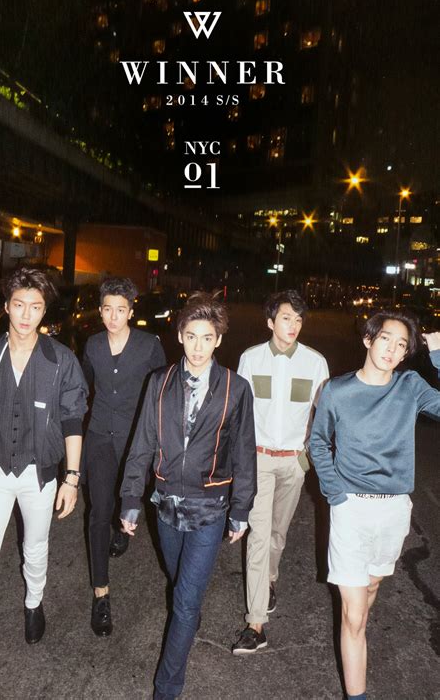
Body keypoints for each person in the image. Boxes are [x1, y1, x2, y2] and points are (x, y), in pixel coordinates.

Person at [120, 292, 256, 700]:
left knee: (184, 602)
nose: (198, 347)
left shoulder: (236, 388)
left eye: (207, 338)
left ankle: (167, 688)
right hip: (165, 504)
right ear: (180, 335)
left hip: (210, 507)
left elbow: (244, 453)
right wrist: (130, 499)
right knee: (178, 579)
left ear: (219, 340)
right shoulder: (159, 382)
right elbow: (142, 443)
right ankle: (188, 613)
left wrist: (241, 508)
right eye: (191, 336)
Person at [0, 268, 88, 700]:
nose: (25, 314)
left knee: (34, 548)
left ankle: (34, 600)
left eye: (35, 307)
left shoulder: (61, 360)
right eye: (19, 305)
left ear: (44, 312)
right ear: (6, 307)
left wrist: (72, 477)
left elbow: (73, 419)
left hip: (40, 473)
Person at [309, 310, 440, 700]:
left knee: (371, 586)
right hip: (350, 509)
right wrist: (336, 493)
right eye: (386, 339)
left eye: (401, 345)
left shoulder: (410, 386)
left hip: (394, 510)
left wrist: (438, 355)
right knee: (354, 616)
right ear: (368, 339)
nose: (392, 349)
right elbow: (318, 442)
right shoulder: (336, 391)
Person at [232, 290, 329, 654]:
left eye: (298, 319)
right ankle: (256, 623)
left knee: (277, 533)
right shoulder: (250, 358)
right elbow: (239, 413)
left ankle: (269, 579)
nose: (293, 325)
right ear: (271, 321)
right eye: (286, 318)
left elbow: (324, 416)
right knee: (258, 535)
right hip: (257, 460)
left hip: (293, 462)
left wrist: (307, 458)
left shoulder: (315, 363)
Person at [81, 277, 166, 636]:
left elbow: (161, 391)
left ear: (131, 311)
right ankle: (101, 594)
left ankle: (123, 528)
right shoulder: (92, 345)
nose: (113, 317)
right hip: (100, 437)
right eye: (107, 310)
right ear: (100, 311)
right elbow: (84, 387)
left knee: (127, 496)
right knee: (98, 511)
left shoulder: (149, 346)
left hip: (136, 439)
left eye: (121, 310)